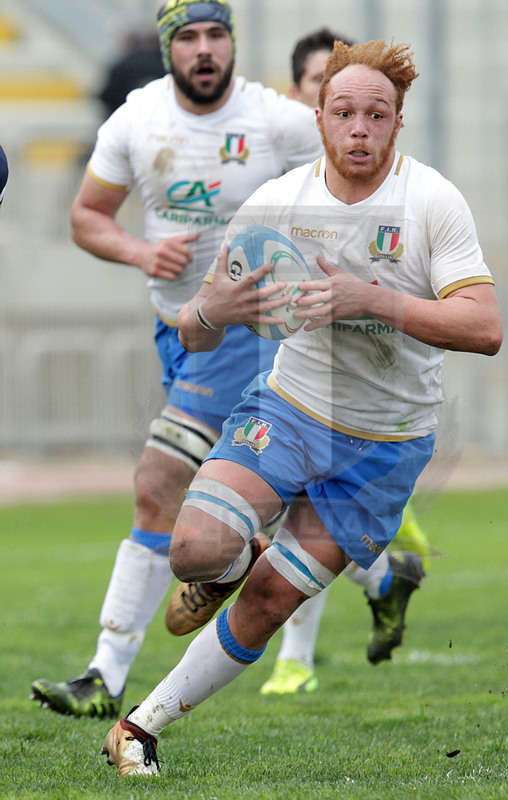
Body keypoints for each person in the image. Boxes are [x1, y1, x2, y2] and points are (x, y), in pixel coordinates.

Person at [100, 38, 503, 777]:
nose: (359, 129)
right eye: (343, 112)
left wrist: (372, 300)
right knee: (194, 550)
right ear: (317, 116)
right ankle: (229, 557)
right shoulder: (278, 203)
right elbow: (195, 321)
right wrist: (213, 308)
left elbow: (485, 328)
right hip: (289, 409)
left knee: (270, 601)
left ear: (398, 122)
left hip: (387, 445)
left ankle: (138, 728)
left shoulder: (432, 201)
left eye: (375, 115)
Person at [30, 0, 322, 720]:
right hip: (180, 330)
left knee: (157, 480)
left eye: (215, 35)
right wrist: (137, 249)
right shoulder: (135, 118)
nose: (203, 49)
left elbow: (350, 191)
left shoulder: (277, 119)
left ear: (231, 44)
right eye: (188, 37)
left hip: (256, 334)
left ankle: (107, 673)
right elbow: (87, 217)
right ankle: (254, 561)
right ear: (168, 47)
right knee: (265, 505)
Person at [259, 28, 432, 696]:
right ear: (307, 102)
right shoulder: (284, 178)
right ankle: (384, 574)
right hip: (276, 350)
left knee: (299, 510)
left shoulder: (398, 190)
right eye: (318, 89)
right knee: (258, 507)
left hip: (355, 379)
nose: (352, 122)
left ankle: (293, 660)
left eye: (371, 109)